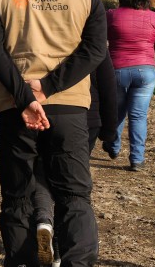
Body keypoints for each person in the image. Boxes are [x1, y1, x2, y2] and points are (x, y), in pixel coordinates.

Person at [0, 0, 107, 266]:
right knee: (74, 198)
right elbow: (95, 50)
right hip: (69, 109)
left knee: (18, 198)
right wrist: (48, 88)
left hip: (13, 108)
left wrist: (25, 95)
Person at [31, 54, 118, 266]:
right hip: (84, 118)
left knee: (41, 173)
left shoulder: (36, 39)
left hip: (38, 111)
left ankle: (43, 220)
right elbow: (108, 87)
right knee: (70, 185)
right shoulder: (89, 41)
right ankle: (61, 250)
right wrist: (109, 130)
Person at [102, 0, 155, 171]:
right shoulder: (153, 18)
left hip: (117, 70)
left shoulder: (111, 15)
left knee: (117, 111)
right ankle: (136, 159)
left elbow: (97, 41)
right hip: (145, 73)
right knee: (138, 116)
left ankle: (113, 147)